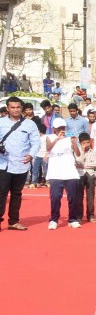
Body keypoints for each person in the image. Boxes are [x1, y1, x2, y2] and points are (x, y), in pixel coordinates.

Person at [0, 96, 40, 231]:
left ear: (22, 108)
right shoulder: (1, 123)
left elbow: (36, 142)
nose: (16, 110)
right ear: (7, 108)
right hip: (3, 163)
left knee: (17, 193)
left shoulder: (30, 124)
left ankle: (13, 221)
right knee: (1, 193)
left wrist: (31, 155)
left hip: (21, 164)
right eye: (13, 107)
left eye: (18, 107)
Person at [45, 118, 83, 229]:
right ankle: (54, 219)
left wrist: (74, 143)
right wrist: (57, 138)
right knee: (56, 196)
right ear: (54, 129)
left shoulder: (70, 138)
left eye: (63, 128)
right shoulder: (50, 137)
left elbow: (78, 153)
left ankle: (73, 219)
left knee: (73, 196)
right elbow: (48, 148)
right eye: (59, 128)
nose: (62, 130)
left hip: (70, 171)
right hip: (55, 172)